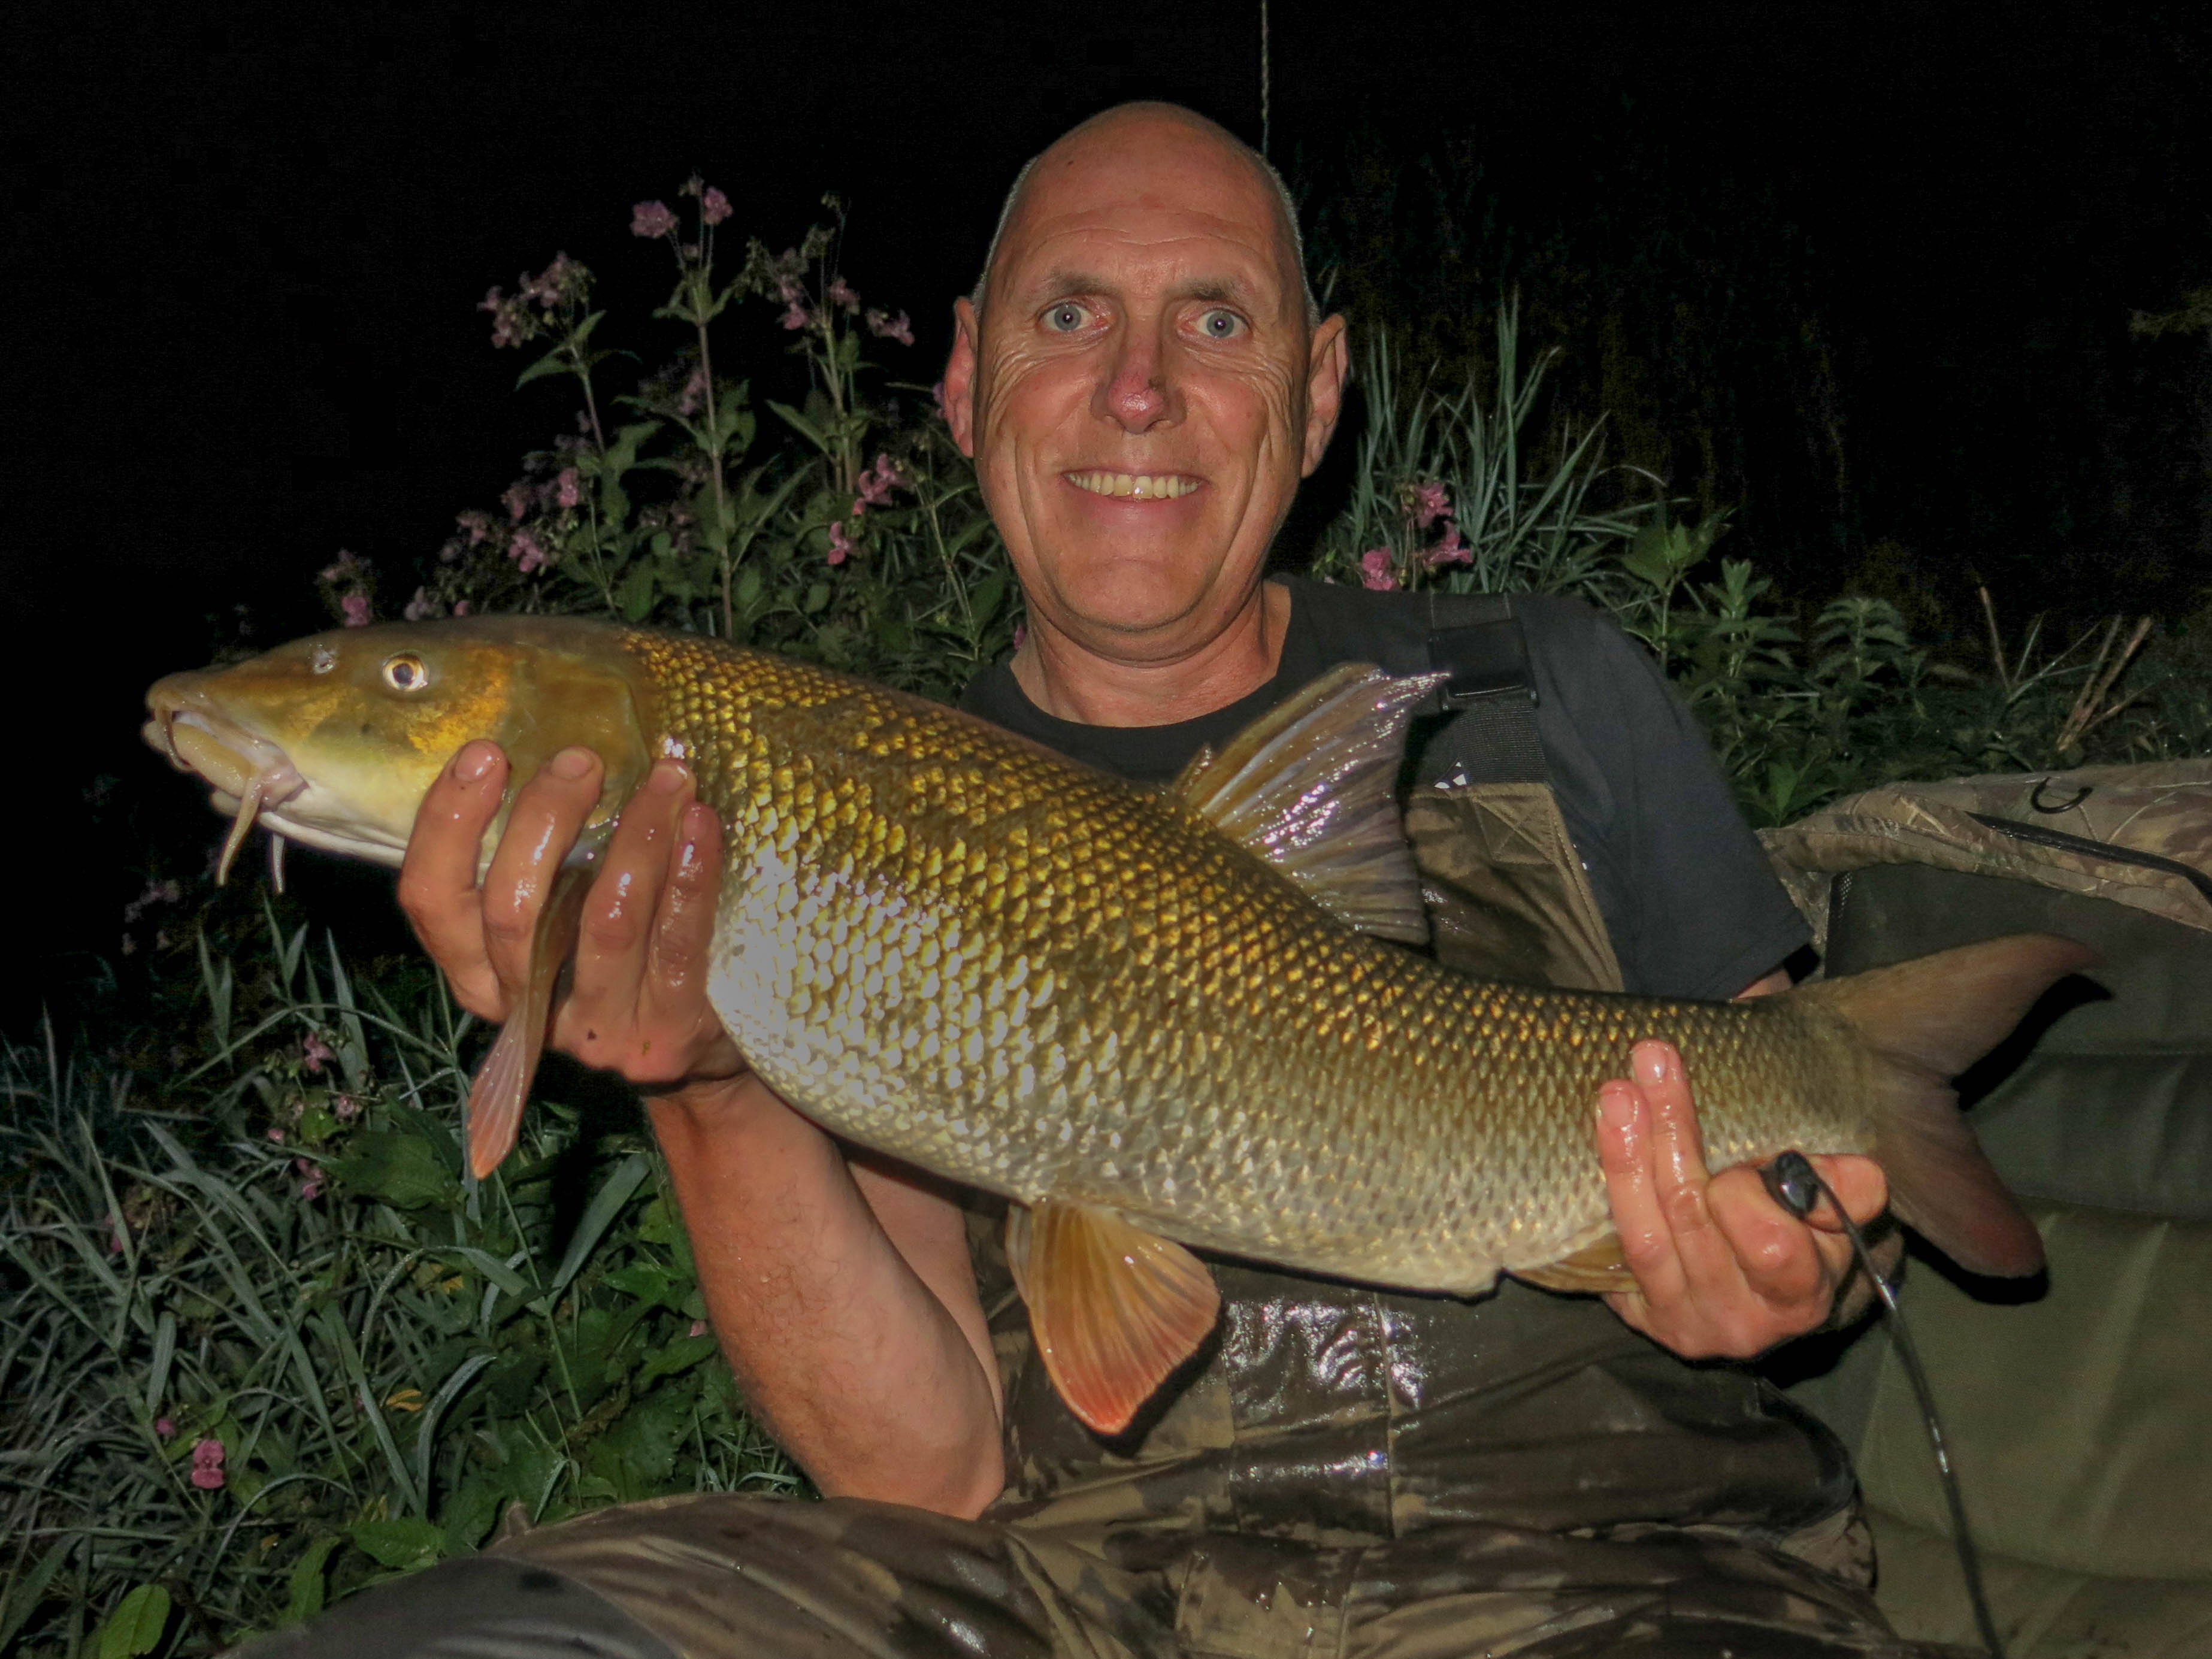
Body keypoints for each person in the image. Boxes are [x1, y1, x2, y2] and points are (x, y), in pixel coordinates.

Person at [249, 103, 1942, 1658]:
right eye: (1071, 316)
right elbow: (925, 1464)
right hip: (1095, 1606)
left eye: (1215, 318)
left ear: (1322, 384)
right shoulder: (842, 819)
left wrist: (1781, 1258)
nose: (1139, 388)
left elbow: (1810, 1170)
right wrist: (704, 1082)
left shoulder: (1546, 697)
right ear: (969, 380)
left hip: (1628, 1572)